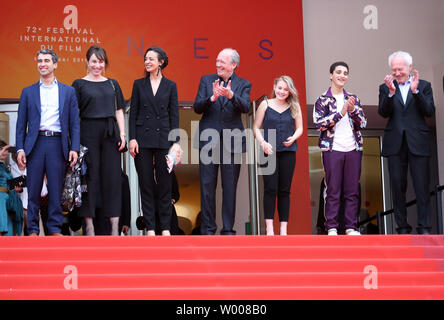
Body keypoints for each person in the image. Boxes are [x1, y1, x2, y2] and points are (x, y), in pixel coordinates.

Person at [16, 49, 80, 236]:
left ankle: (54, 229)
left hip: (57, 143)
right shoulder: (28, 92)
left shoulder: (68, 91)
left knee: (55, 190)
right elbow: (21, 125)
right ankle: (33, 229)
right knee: (33, 189)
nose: (42, 64)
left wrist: (74, 147)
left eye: (46, 61)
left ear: (55, 64)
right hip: (35, 145)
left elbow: (75, 124)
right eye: (39, 61)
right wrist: (20, 148)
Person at [193, 48, 251, 235]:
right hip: (208, 141)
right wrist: (213, 97)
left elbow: (246, 107)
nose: (218, 64)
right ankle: (208, 229)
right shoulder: (206, 80)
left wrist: (231, 95)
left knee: (229, 188)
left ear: (233, 65)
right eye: (217, 61)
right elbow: (197, 107)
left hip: (232, 142)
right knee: (207, 187)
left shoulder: (244, 84)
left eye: (222, 62)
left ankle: (228, 229)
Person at [378, 51, 436, 234]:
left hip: (417, 141)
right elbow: (383, 112)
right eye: (394, 69)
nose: (397, 72)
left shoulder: (424, 86)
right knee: (397, 185)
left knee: (421, 185)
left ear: (409, 68)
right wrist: (390, 94)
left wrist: (416, 92)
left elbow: (429, 111)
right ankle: (402, 226)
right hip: (395, 143)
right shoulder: (385, 87)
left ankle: (424, 226)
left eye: (400, 68)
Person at [72, 45, 126, 236]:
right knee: (90, 177)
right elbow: (74, 114)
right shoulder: (79, 84)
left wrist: (123, 134)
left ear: (105, 63)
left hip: (110, 132)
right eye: (94, 61)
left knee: (113, 178)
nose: (97, 65)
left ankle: (114, 225)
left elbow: (119, 110)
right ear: (87, 62)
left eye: (101, 61)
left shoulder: (113, 84)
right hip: (88, 131)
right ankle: (89, 224)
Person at [129, 46, 181, 236]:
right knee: (146, 183)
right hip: (142, 138)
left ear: (161, 62)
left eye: (151, 59)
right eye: (146, 58)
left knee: (165, 184)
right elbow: (133, 113)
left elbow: (174, 114)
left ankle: (165, 228)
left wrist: (175, 142)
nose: (147, 62)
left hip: (164, 139)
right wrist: (133, 138)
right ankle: (150, 228)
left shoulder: (171, 86)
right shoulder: (138, 84)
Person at [313, 61, 367, 236]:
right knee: (333, 190)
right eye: (338, 72)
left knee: (352, 190)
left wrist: (352, 110)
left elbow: (363, 123)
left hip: (353, 148)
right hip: (332, 149)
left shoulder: (353, 98)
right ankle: (332, 227)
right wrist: (340, 113)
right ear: (331, 75)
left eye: (345, 73)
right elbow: (319, 124)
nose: (342, 75)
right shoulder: (322, 99)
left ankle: (351, 227)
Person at [253, 76, 303, 236]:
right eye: (280, 88)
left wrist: (293, 138)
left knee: (284, 190)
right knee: (270, 188)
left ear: (290, 91)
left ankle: (283, 229)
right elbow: (255, 127)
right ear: (274, 87)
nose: (282, 91)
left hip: (288, 152)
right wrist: (263, 143)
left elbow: (300, 128)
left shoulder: (294, 106)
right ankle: (269, 229)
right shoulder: (265, 104)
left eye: (286, 89)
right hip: (268, 152)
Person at [0, 142, 23, 236]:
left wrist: (16, 188)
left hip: (9, 200)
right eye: (2, 149)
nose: (5, 152)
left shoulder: (6, 166)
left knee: (9, 232)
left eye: (6, 150)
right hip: (1, 198)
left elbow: (8, 184)